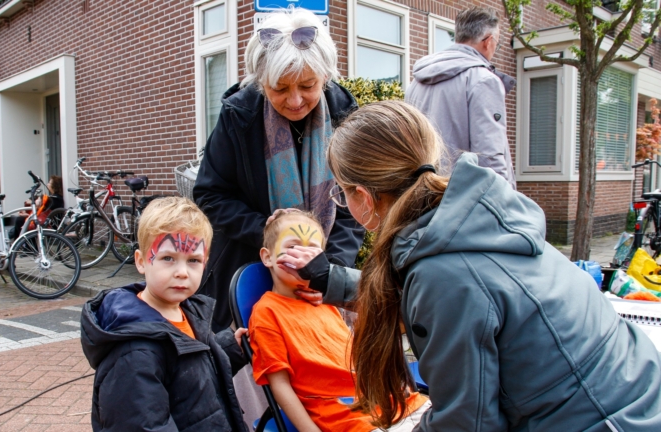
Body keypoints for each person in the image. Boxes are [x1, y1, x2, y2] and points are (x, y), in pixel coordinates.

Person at [278, 100, 661, 431]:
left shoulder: (445, 276)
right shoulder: (477, 216)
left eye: (341, 193)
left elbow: (468, 423)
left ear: (362, 196)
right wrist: (332, 279)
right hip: (637, 394)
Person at [193, 7, 364, 332]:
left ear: (325, 76)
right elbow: (210, 195)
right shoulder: (238, 117)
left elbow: (352, 205)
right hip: (248, 273)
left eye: (308, 85)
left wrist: (329, 271)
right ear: (260, 82)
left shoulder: (346, 116)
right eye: (280, 88)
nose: (296, 100)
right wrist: (273, 235)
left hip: (321, 281)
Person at [250, 209, 429, 432]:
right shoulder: (267, 312)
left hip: (392, 405)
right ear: (267, 256)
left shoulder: (326, 301)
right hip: (347, 419)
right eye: (293, 247)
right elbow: (280, 385)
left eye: (313, 250)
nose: (303, 257)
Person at [80, 196, 249, 431]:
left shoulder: (188, 311)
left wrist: (229, 348)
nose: (182, 272)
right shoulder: (134, 353)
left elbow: (190, 373)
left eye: (193, 260)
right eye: (168, 258)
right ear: (141, 262)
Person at [405, 6, 517, 189]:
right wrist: (504, 202)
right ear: (488, 41)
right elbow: (489, 155)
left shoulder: (416, 83)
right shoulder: (483, 80)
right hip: (467, 199)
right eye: (498, 42)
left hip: (425, 194)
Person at [9, 175, 64, 239]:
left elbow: (43, 206)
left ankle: (22, 244)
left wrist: (38, 199)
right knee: (20, 222)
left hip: (48, 225)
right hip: (47, 222)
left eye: (49, 183)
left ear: (54, 186)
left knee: (19, 220)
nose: (47, 184)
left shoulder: (54, 200)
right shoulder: (57, 199)